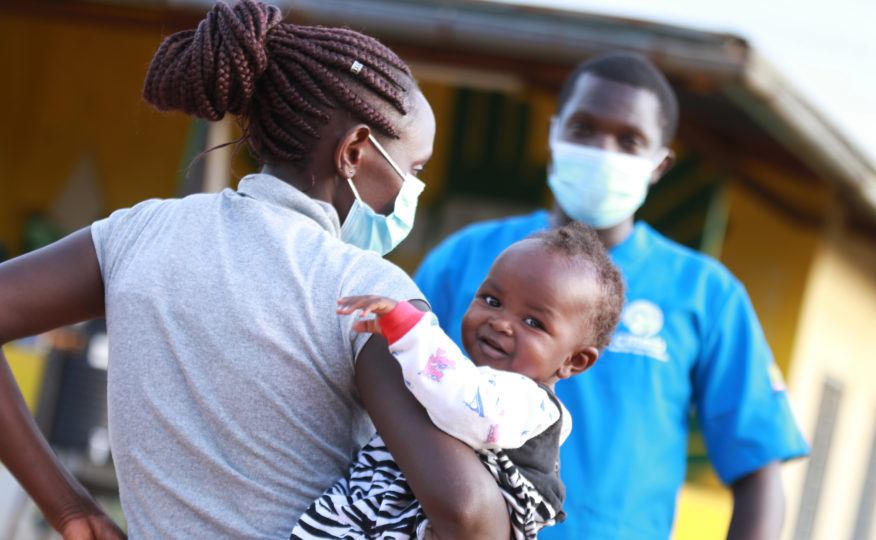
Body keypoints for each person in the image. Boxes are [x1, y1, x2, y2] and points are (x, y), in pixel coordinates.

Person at [0, 1, 510, 538]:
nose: (414, 191)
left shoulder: (138, 233)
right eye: (414, 169)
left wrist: (67, 505)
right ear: (356, 150)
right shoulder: (366, 292)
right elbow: (466, 512)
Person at [414, 53, 810, 539]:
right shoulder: (464, 258)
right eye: (583, 129)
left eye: (629, 140)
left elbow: (758, 472)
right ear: (554, 134)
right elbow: (386, 392)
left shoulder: (707, 295)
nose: (602, 150)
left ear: (660, 163)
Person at [291, 224, 625, 540]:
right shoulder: (474, 380)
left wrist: (410, 332)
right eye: (491, 301)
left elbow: (466, 403)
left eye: (533, 322)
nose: (501, 323)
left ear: (574, 360)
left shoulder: (529, 404)